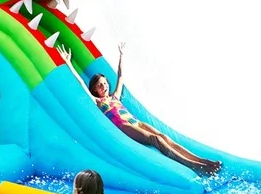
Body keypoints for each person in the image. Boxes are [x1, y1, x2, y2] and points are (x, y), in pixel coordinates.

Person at [57, 42, 221, 175]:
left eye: (105, 83)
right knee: (155, 139)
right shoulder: (98, 101)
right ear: (94, 89)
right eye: (100, 85)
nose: (104, 86)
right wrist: (68, 63)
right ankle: (194, 165)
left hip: (136, 122)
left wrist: (121, 55)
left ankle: (202, 161)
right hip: (125, 126)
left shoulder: (114, 97)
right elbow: (81, 83)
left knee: (163, 136)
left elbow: (121, 76)